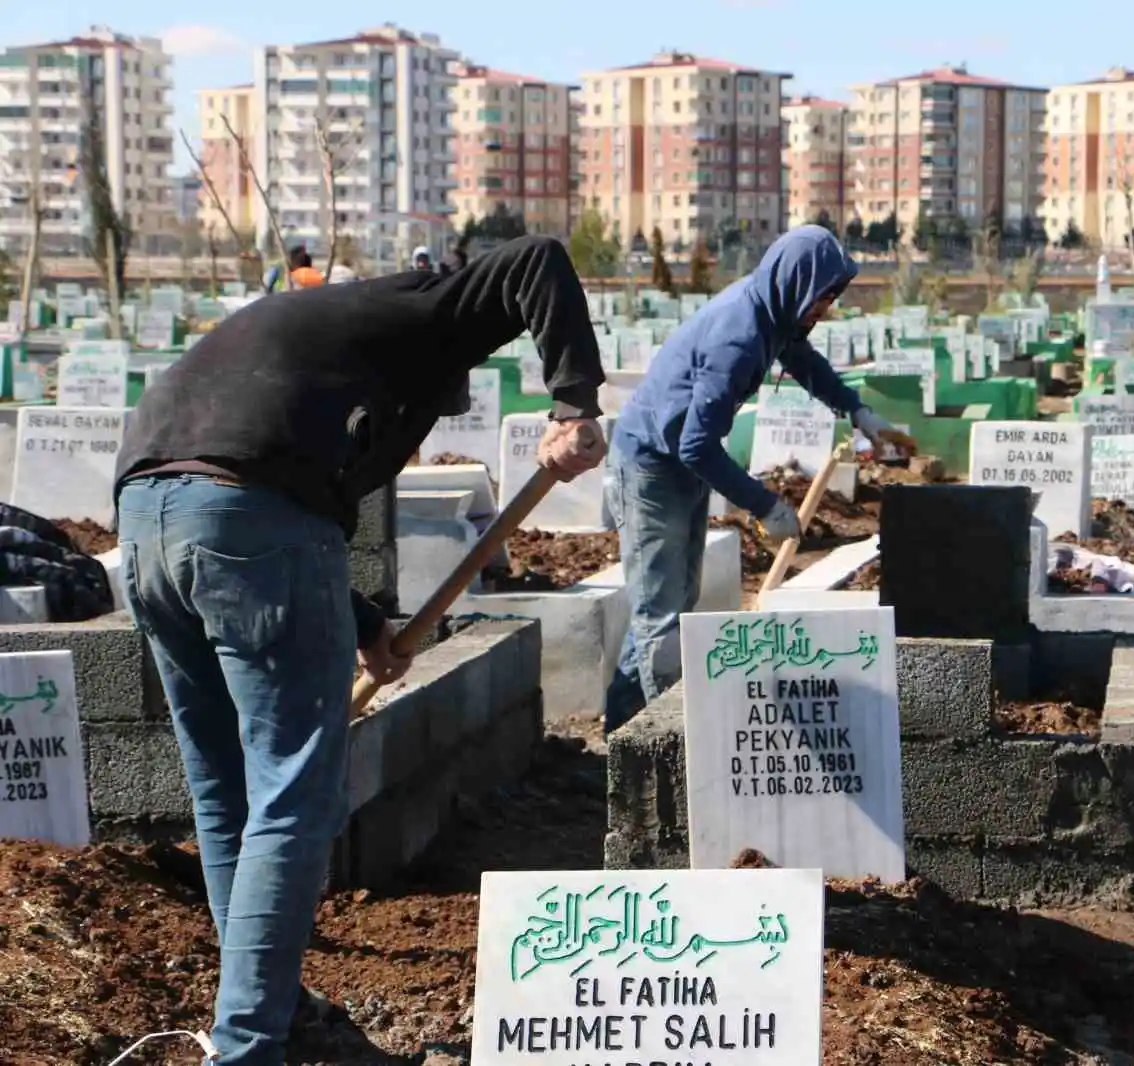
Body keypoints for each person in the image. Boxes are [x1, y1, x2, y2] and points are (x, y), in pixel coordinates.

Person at [113, 235, 608, 1066]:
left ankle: (272, 1010)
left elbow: (232, 490)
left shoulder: (310, 330)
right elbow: (540, 261)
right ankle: (247, 1048)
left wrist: (358, 621)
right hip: (249, 520)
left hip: (148, 525)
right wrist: (574, 405)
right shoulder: (428, 307)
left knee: (225, 792)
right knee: (290, 796)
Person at [603, 224, 915, 732]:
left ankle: (624, 728)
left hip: (679, 458)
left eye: (832, 298)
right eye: (823, 297)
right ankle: (655, 741)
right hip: (652, 464)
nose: (826, 309)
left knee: (676, 599)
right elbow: (695, 445)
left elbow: (805, 361)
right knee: (658, 612)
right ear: (797, 282)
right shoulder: (739, 336)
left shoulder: (772, 311)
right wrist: (764, 504)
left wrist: (858, 412)